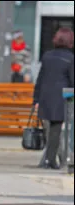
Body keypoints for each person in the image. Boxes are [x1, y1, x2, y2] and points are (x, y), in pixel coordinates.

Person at [33, 27, 74, 169]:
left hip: (45, 97)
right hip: (61, 99)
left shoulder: (47, 56)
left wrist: (36, 100)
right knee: (56, 131)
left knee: (50, 131)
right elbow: (72, 81)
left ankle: (51, 160)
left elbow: (40, 79)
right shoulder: (70, 58)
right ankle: (50, 161)